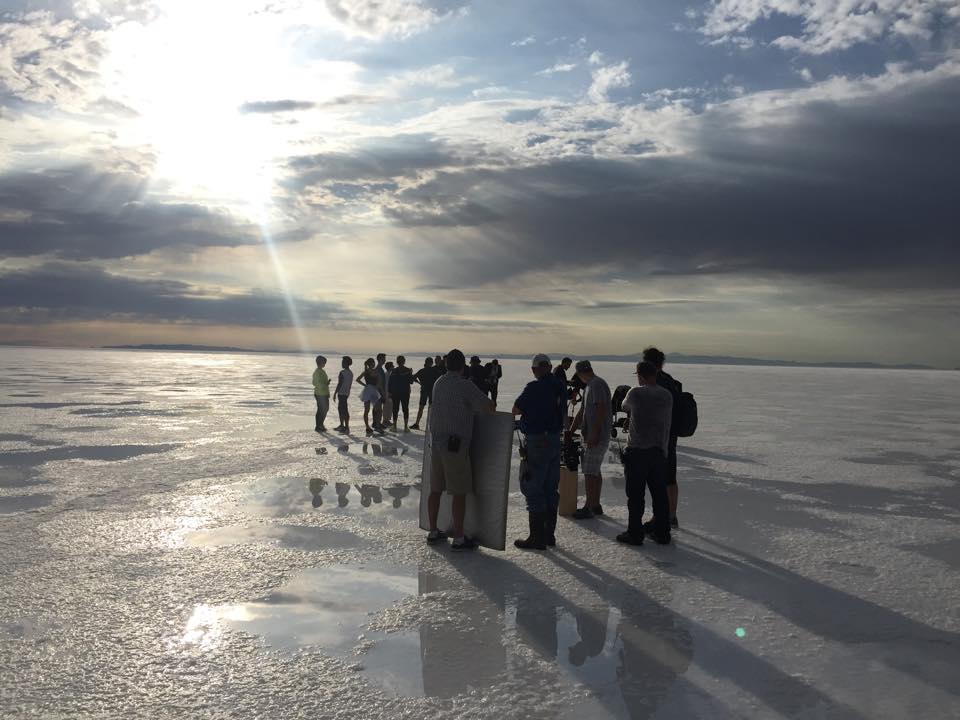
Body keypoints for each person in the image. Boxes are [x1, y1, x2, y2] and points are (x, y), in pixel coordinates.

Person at [426, 348, 495, 551]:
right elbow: (489, 406)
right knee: (459, 491)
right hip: (454, 446)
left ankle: (433, 531)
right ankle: (458, 537)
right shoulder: (464, 385)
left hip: (436, 444)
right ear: (463, 366)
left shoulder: (439, 382)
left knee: (435, 489)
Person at [511, 354, 565, 550]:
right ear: (549, 367)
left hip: (537, 441)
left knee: (533, 487)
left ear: (534, 369)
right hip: (555, 440)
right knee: (550, 487)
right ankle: (548, 535)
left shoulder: (533, 387)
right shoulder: (559, 385)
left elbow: (516, 409)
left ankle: (537, 538)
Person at [617, 361, 673, 545]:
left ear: (640, 375)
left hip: (637, 451)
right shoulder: (666, 395)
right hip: (658, 451)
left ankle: (635, 533)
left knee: (635, 495)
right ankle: (663, 532)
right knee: (660, 495)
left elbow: (624, 406)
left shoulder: (635, 392)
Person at [642, 347, 682, 529]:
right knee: (670, 476)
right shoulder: (670, 380)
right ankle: (671, 515)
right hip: (671, 434)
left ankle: (659, 517)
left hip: (658, 437)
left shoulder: (655, 382)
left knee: (657, 478)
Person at [568, 360, 611, 519]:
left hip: (596, 437)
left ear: (580, 374)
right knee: (594, 470)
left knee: (589, 472)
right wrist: (571, 431)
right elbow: (582, 412)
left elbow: (601, 408)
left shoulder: (596, 384)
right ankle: (596, 504)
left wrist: (595, 432)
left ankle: (589, 506)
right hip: (592, 435)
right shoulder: (589, 386)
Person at [357, 358, 382, 436]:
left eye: (373, 363)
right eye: (372, 363)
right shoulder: (366, 371)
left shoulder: (374, 371)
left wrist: (376, 386)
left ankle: (377, 425)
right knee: (367, 410)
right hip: (368, 391)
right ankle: (368, 427)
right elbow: (358, 379)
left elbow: (379, 381)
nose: (373, 364)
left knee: (378, 409)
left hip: (373, 391)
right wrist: (365, 385)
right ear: (369, 364)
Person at [411, 357, 438, 430]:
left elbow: (413, 377)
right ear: (431, 363)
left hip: (424, 390)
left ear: (425, 363)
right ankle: (432, 425)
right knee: (431, 408)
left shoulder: (422, 370)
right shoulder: (434, 370)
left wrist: (419, 382)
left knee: (421, 408)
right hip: (432, 391)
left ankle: (417, 423)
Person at [389, 355, 414, 431]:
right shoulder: (408, 370)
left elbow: (390, 383)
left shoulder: (393, 371)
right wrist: (411, 373)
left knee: (395, 409)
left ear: (397, 362)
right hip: (405, 392)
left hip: (395, 392)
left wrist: (389, 392)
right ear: (404, 361)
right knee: (405, 409)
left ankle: (394, 427)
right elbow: (411, 381)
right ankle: (406, 427)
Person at [333, 356, 354, 434]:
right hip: (346, 393)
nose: (342, 363)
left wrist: (335, 393)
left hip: (341, 393)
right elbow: (349, 385)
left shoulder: (342, 372)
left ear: (346, 363)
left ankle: (345, 427)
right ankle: (343, 425)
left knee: (343, 409)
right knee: (343, 409)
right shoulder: (351, 373)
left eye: (343, 362)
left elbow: (340, 384)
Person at [312, 355, 331, 432]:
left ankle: (320, 424)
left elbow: (321, 383)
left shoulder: (322, 371)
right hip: (320, 394)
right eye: (324, 363)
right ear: (320, 363)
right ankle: (319, 425)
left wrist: (326, 386)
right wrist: (325, 384)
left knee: (324, 409)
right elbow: (315, 383)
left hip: (323, 393)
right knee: (322, 410)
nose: (325, 364)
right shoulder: (317, 372)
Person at [373, 353, 388, 430]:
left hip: (378, 391)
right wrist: (383, 393)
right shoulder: (378, 369)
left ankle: (376, 423)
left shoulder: (380, 369)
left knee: (378, 409)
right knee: (378, 409)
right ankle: (377, 424)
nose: (385, 360)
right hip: (378, 392)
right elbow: (379, 383)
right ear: (380, 359)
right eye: (384, 359)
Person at [383, 360, 395, 429]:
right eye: (392, 366)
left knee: (389, 407)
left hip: (388, 393)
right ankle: (385, 420)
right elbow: (386, 385)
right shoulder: (387, 374)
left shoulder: (389, 374)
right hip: (387, 393)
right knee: (387, 407)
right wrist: (388, 393)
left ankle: (387, 420)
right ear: (390, 367)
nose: (394, 367)